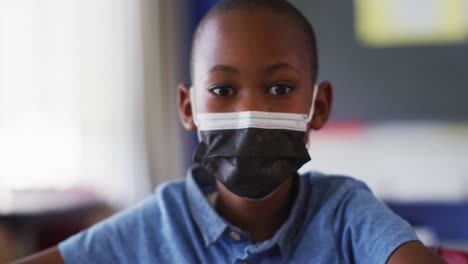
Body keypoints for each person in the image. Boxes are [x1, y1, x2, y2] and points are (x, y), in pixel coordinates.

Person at [15, 0, 446, 263]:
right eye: (222, 90)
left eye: (279, 88)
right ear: (189, 108)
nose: (251, 112)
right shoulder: (159, 224)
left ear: (319, 106)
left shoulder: (346, 212)